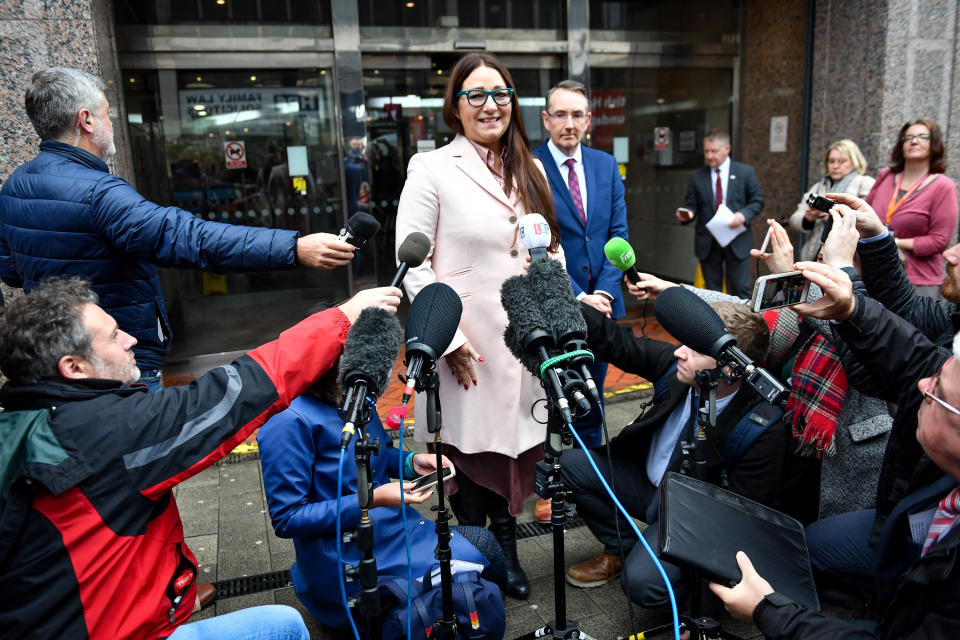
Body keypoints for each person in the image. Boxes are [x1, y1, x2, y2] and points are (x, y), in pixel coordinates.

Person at [0, 276, 402, 639]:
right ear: (73, 366)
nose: (131, 340)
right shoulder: (104, 433)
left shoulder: (26, 425)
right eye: (112, 336)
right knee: (285, 627)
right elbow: (239, 392)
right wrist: (344, 318)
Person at [0, 67, 359, 392]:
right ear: (87, 120)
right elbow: (189, 238)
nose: (111, 123)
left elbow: (11, 271)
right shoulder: (98, 193)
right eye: (108, 114)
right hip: (116, 363)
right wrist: (294, 248)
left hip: (64, 360)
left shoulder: (16, 185)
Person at [710, 261, 959, 639]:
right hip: (897, 525)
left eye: (938, 389)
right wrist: (852, 310)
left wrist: (770, 612)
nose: (923, 384)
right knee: (817, 542)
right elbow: (911, 355)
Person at [395, 52, 562, 600]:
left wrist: (566, 302)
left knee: (515, 451)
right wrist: (452, 339)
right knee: (471, 458)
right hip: (466, 343)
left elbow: (548, 249)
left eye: (501, 94)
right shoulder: (433, 168)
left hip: (523, 338)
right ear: (456, 106)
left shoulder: (531, 168)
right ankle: (477, 559)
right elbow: (412, 263)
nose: (490, 105)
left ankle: (508, 550)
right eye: (476, 95)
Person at [258, 324, 507, 631]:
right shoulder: (288, 421)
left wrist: (413, 461)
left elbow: (380, 455)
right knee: (474, 564)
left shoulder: (355, 392)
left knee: (486, 548)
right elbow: (287, 518)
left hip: (393, 531)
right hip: (347, 556)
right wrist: (372, 500)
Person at [561, 301, 787, 615]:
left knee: (642, 583)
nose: (679, 351)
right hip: (648, 485)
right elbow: (615, 340)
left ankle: (679, 584)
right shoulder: (677, 368)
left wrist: (704, 612)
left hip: (693, 517)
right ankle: (621, 547)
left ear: (730, 368)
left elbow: (736, 527)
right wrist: (560, 297)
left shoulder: (759, 427)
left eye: (694, 350)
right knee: (569, 466)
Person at [531, 79, 629, 451]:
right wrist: (576, 296)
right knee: (552, 395)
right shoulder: (530, 166)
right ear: (546, 119)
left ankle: (585, 478)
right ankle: (552, 480)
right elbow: (534, 245)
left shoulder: (606, 165)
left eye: (577, 115)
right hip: (555, 302)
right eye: (561, 114)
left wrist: (602, 291)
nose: (569, 123)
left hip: (603, 304)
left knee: (593, 393)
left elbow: (617, 234)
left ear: (588, 120)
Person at [865, 119, 958, 297]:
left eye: (922, 136)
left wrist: (894, 242)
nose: (914, 141)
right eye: (908, 137)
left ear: (934, 144)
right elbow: (864, 213)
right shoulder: (885, 175)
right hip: (875, 274)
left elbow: (939, 240)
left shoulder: (943, 186)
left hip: (918, 281)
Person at [675, 129, 764, 299]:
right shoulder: (697, 176)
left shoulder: (745, 172)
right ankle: (715, 326)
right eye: (706, 151)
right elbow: (692, 205)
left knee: (739, 289)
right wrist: (689, 214)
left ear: (727, 149)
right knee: (711, 293)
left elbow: (757, 202)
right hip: (708, 243)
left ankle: (740, 325)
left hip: (737, 240)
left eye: (714, 151)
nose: (709, 156)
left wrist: (743, 215)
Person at [789, 139, 875, 261]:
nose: (835, 166)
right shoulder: (819, 186)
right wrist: (809, 218)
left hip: (849, 256)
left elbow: (870, 220)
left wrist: (834, 217)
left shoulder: (864, 183)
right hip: (814, 254)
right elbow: (794, 219)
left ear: (855, 162)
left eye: (841, 161)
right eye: (831, 161)